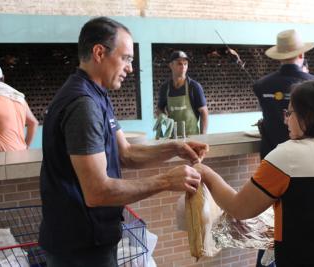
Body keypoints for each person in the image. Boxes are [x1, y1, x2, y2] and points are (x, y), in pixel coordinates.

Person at [39, 17, 208, 267]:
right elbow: (97, 192)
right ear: (99, 52)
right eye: (126, 58)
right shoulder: (83, 105)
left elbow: (125, 154)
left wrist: (175, 148)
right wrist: (166, 181)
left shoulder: (98, 96)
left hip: (92, 238)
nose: (130, 67)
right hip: (79, 248)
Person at [194, 80, 314, 267]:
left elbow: (240, 208)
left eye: (290, 112)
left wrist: (206, 173)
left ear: (308, 116)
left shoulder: (288, 155)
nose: (286, 119)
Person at [253, 29, 314, 266]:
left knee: (270, 227)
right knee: (302, 226)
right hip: (307, 168)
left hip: (271, 167)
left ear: (279, 56)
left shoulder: (262, 85)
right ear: (301, 54)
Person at [157, 50, 208, 136]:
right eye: (179, 64)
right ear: (171, 65)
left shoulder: (194, 87)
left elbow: (204, 112)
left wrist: (203, 137)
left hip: (193, 138)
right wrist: (164, 119)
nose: (183, 67)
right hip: (173, 138)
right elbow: (159, 109)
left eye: (185, 64)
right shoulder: (165, 88)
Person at [0, 65, 38, 151]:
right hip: (20, 154)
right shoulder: (18, 98)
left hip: (2, 157)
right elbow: (34, 123)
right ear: (3, 78)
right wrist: (26, 147)